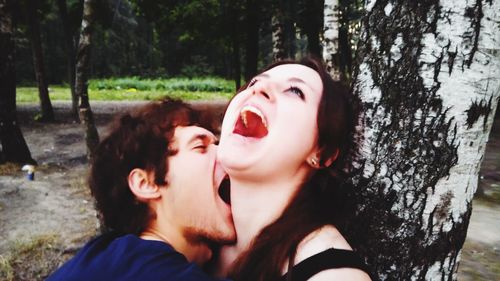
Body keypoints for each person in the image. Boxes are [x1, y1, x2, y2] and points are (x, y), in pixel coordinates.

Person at [215, 57, 373, 281]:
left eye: (295, 91)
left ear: (322, 153)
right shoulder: (193, 235)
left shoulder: (331, 274)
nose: (259, 88)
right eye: (254, 82)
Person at [48, 99, 235, 281]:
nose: (225, 154)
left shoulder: (105, 255)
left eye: (217, 144)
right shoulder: (155, 274)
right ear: (146, 184)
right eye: (200, 147)